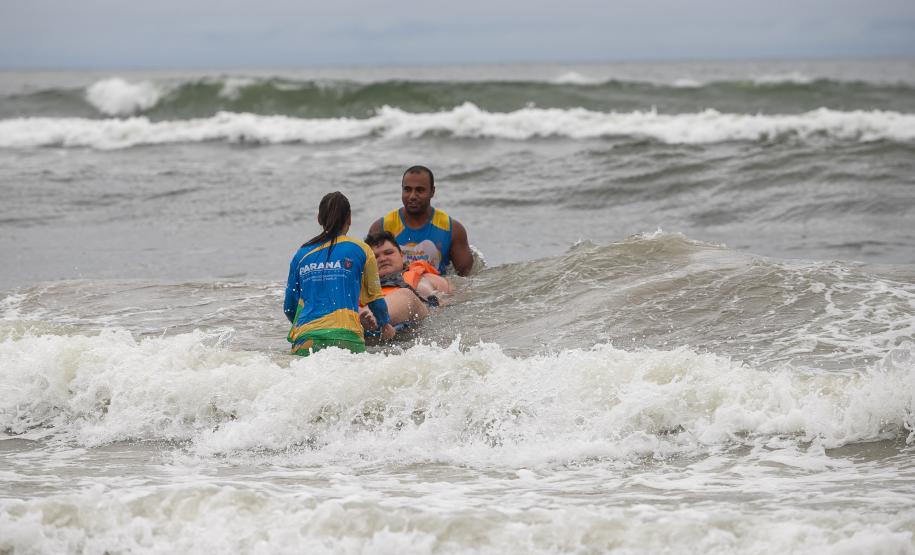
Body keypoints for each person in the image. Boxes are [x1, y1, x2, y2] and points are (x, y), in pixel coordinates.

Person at [284, 192, 395, 355]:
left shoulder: (301, 254)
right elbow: (374, 296)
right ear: (349, 218)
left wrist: (304, 327)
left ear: (319, 219)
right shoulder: (362, 250)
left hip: (306, 339)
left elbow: (289, 307)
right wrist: (385, 324)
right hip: (347, 338)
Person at [368, 165, 474, 276]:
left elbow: (467, 280)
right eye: (407, 190)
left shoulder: (453, 230)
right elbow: (370, 273)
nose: (412, 196)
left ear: (432, 191)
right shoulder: (381, 227)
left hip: (437, 290)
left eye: (420, 190)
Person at [358, 231, 452, 332]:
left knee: (405, 294)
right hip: (374, 323)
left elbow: (451, 296)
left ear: (401, 255)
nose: (383, 259)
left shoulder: (426, 277)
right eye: (375, 257)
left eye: (388, 253)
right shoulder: (359, 287)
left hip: (418, 317)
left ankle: (375, 317)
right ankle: (369, 322)